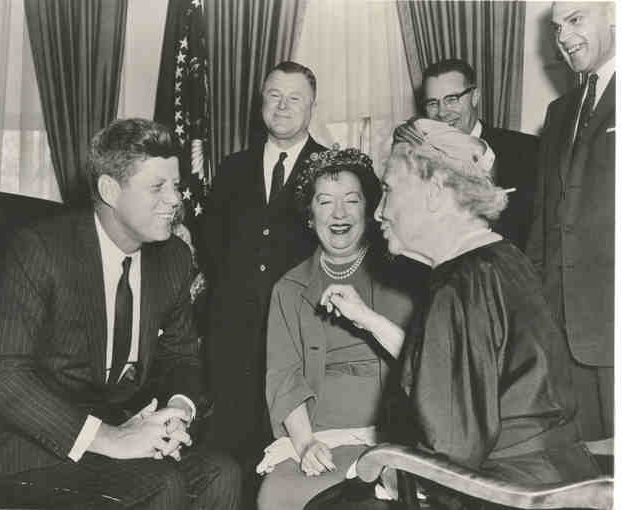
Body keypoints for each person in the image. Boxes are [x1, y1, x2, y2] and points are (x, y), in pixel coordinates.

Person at [322, 118, 599, 509]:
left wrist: (383, 471)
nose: (379, 212)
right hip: (563, 483)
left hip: (508, 495)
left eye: (389, 190)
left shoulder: (458, 286)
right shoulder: (504, 259)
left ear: (435, 192)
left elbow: (449, 455)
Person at [0, 118, 241, 510]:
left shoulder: (173, 257)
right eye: (158, 187)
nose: (175, 199)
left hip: (117, 433)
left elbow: (181, 356)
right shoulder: (41, 250)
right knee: (161, 485)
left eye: (176, 184)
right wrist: (110, 439)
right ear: (110, 190)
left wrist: (178, 410)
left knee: (222, 474)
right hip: (30, 450)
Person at [257, 146, 417, 510]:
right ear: (310, 215)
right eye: (325, 202)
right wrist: (305, 444)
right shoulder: (288, 288)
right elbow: (283, 377)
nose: (339, 213)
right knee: (276, 495)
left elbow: (427, 366)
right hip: (320, 435)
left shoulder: (404, 277)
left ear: (369, 208)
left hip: (394, 435)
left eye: (352, 200)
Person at [200, 62, 326, 469]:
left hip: (302, 342)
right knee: (231, 458)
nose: (282, 106)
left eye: (295, 98)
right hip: (233, 343)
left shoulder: (333, 170)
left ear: (312, 106)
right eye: (274, 96)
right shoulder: (232, 168)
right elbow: (212, 245)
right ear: (261, 104)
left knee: (293, 460)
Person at [526, 1, 615, 441]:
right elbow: (544, 224)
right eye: (557, 26)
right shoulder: (560, 112)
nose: (563, 37)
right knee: (582, 466)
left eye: (576, 19)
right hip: (564, 333)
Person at [421, 58, 539, 251]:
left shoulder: (526, 150)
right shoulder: (418, 161)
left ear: (475, 96)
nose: (442, 113)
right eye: (433, 103)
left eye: (452, 99)